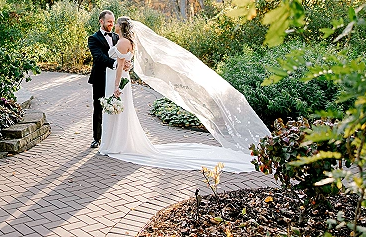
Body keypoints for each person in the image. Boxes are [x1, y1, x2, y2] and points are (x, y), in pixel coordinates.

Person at [98, 17, 272, 173]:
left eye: (117, 23)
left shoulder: (122, 42)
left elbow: (120, 66)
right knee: (122, 112)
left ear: (122, 26)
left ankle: (116, 143)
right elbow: (124, 62)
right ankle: (117, 142)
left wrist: (116, 86)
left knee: (118, 111)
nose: (115, 25)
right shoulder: (127, 41)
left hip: (118, 80)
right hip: (121, 78)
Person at [87, 10, 131, 148]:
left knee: (117, 106)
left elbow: (124, 54)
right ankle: (97, 137)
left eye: (113, 21)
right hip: (100, 77)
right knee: (99, 107)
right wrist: (116, 64)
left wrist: (127, 64)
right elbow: (98, 57)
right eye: (109, 22)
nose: (112, 24)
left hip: (114, 78)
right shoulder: (93, 38)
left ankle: (113, 138)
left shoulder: (118, 37)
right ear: (101, 21)